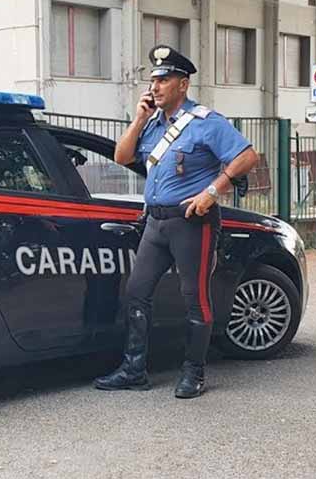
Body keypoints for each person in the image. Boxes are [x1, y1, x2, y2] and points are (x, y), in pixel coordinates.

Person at [94, 45, 259, 398]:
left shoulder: (205, 123)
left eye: (163, 80)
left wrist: (212, 192)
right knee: (137, 292)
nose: (155, 86)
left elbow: (247, 156)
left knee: (194, 298)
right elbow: (122, 156)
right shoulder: (152, 125)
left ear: (182, 84)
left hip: (191, 222)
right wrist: (138, 119)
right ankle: (134, 369)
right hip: (155, 223)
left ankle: (193, 372)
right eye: (153, 80)